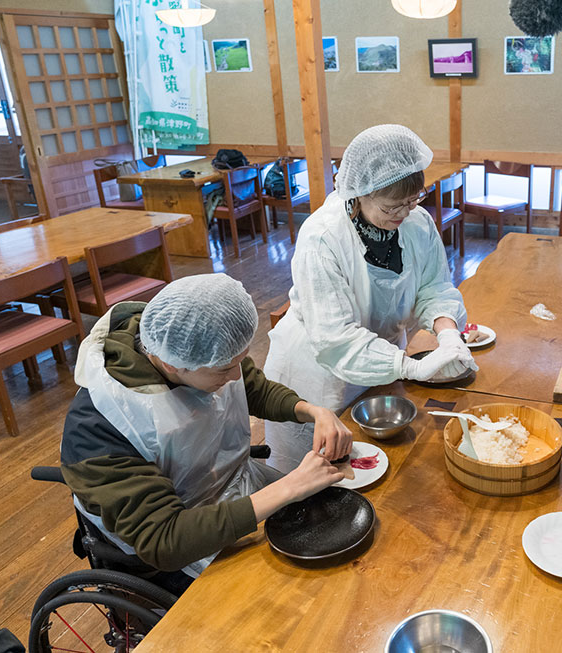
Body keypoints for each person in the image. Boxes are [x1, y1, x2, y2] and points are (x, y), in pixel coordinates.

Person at [61, 274, 350, 592]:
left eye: (237, 361)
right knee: (281, 597)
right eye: (225, 369)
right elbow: (164, 540)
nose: (236, 373)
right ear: (173, 366)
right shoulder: (102, 425)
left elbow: (250, 386)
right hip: (175, 542)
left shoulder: (197, 343)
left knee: (326, 520)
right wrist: (288, 487)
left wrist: (312, 411)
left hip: (231, 486)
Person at [263, 124, 475, 474]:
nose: (404, 213)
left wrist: (448, 332)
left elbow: (434, 287)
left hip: (380, 361)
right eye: (393, 206)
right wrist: (410, 366)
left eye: (413, 200)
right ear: (359, 192)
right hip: (319, 368)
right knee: (313, 473)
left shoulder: (417, 223)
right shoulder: (323, 237)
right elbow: (336, 338)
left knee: (379, 468)